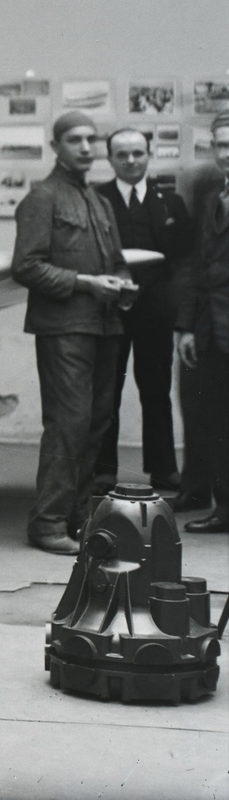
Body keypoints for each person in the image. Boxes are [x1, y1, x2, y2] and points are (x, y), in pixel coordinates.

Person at [11, 111, 133, 555]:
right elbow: (26, 266)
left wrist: (120, 283)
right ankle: (47, 523)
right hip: (64, 328)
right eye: (75, 140)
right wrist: (85, 284)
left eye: (91, 139)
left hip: (104, 324)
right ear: (56, 146)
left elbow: (116, 260)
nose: (85, 147)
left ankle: (79, 518)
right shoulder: (43, 198)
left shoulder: (98, 202)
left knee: (96, 424)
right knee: (69, 424)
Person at [93, 128, 193, 493]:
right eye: (122, 154)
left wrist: (178, 311)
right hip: (110, 310)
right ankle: (103, 471)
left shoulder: (170, 203)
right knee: (107, 391)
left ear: (149, 154)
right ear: (110, 159)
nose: (131, 160)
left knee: (156, 390)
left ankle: (164, 469)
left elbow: (182, 261)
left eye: (138, 153)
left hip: (155, 312)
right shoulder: (96, 199)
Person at [176, 111, 229, 534]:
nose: (227, 154)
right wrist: (188, 326)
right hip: (212, 329)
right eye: (222, 145)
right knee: (215, 421)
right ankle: (225, 510)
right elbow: (198, 266)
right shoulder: (213, 197)